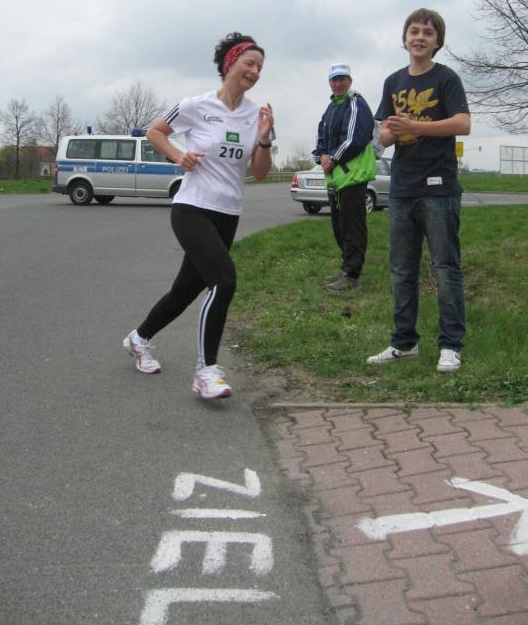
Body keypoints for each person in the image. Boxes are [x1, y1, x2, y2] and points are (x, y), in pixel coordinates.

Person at [122, 33, 275, 399]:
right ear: (230, 64)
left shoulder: (258, 115)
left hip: (228, 213)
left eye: (260, 67)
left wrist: (265, 139)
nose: (255, 72)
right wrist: (179, 156)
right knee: (224, 281)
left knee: (185, 290)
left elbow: (260, 173)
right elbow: (155, 132)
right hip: (191, 208)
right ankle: (206, 371)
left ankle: (138, 338)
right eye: (249, 64)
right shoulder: (196, 105)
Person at [367, 8, 471, 373]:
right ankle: (404, 343)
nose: (420, 37)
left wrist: (416, 126)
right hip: (401, 189)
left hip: (439, 188)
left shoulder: (447, 79)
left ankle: (451, 346)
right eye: (414, 31)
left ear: (437, 41)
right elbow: (383, 135)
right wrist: (392, 132)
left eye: (428, 32)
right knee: (401, 270)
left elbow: (463, 124)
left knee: (445, 268)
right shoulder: (393, 82)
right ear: (405, 38)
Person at [312, 64, 375, 291]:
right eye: (334, 80)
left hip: (354, 175)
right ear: (329, 82)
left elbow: (355, 138)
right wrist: (321, 156)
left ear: (350, 80)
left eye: (342, 79)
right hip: (337, 178)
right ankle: (347, 268)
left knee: (353, 225)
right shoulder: (330, 108)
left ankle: (353, 275)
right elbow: (321, 139)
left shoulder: (356, 102)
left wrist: (333, 158)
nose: (338, 84)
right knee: (339, 225)